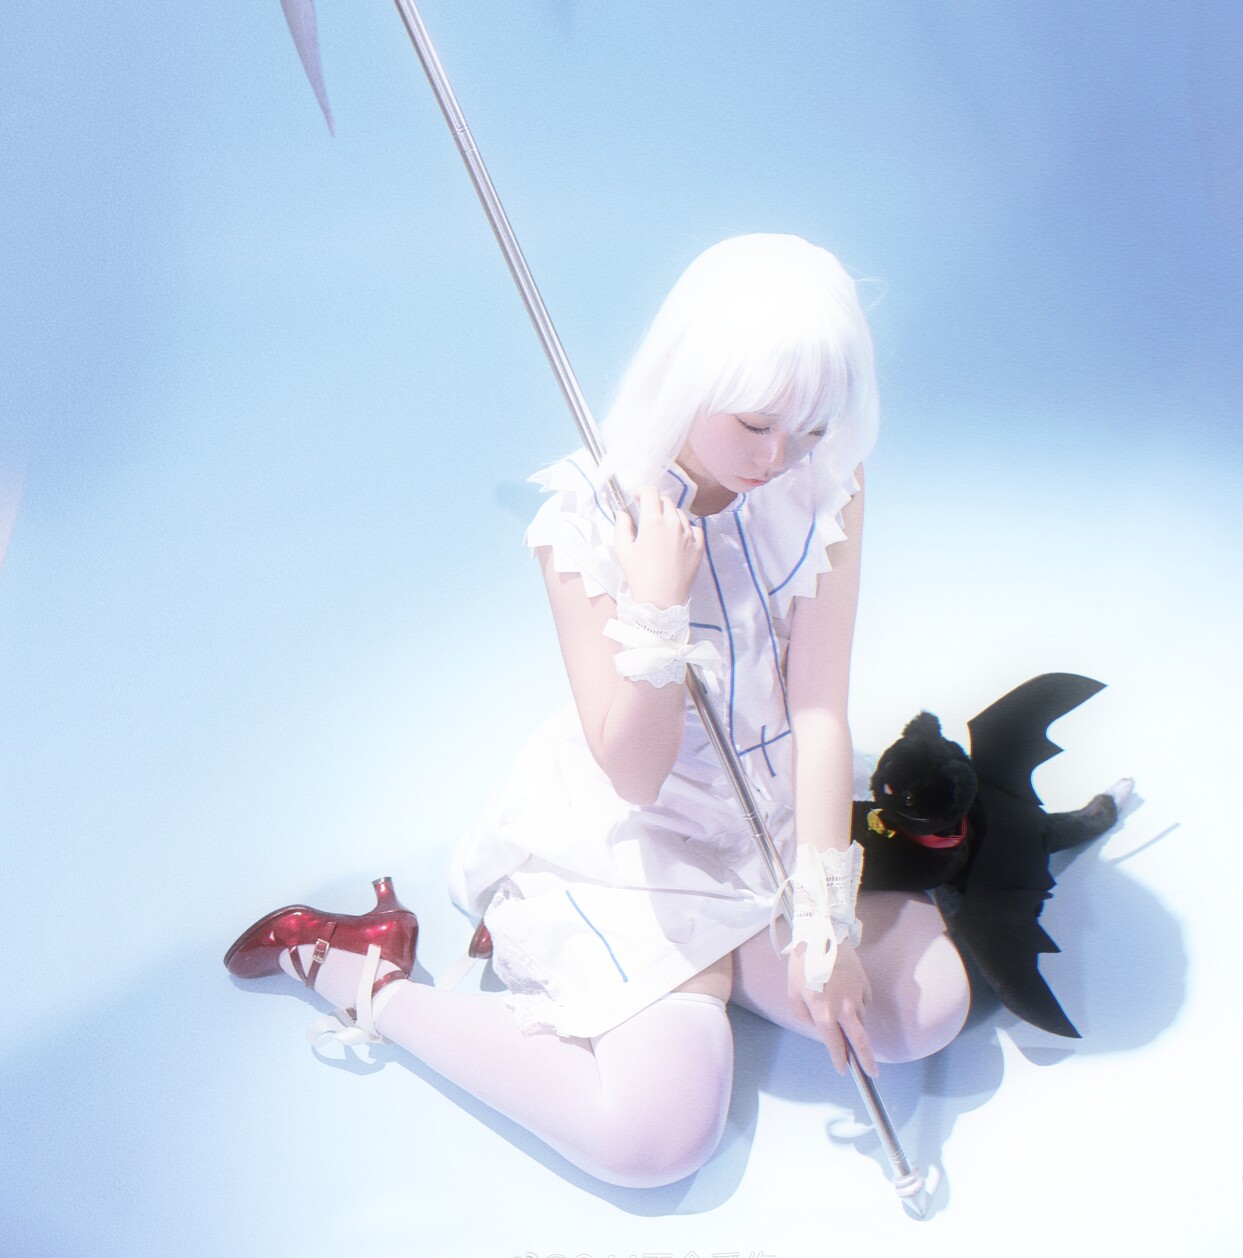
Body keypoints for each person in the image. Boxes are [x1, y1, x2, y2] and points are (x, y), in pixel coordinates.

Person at [225, 233, 970, 1188]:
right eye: (754, 423)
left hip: (771, 824)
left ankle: (716, 969)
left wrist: (824, 925)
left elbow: (820, 707)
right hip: (635, 848)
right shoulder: (583, 518)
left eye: (811, 429)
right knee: (655, 1142)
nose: (778, 456)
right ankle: (361, 970)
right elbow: (635, 773)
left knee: (928, 1007)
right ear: (691, 378)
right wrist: (657, 608)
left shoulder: (823, 481)